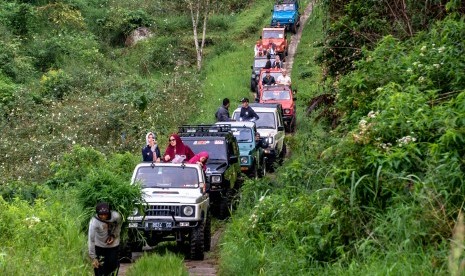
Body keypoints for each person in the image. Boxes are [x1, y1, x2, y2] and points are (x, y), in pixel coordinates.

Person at [88, 202, 122, 276]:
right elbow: (91, 239)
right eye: (101, 215)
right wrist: (93, 257)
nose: (103, 216)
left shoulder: (116, 216)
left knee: (112, 266)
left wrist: (113, 235)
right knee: (99, 268)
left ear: (109, 212)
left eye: (105, 214)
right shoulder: (94, 222)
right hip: (99, 246)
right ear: (97, 214)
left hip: (113, 245)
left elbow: (119, 226)